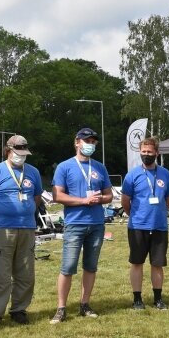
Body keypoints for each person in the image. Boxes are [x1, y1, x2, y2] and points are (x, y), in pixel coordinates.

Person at [0, 135, 43, 328]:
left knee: (25, 271)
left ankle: (19, 309)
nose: (21, 157)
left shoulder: (33, 172)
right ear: (8, 151)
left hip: (27, 228)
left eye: (24, 153)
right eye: (18, 153)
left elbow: (37, 197)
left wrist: (27, 211)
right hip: (3, 228)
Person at [50, 127, 113, 324]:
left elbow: (110, 195)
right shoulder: (64, 167)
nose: (90, 145)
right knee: (68, 267)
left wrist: (99, 198)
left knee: (90, 267)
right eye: (87, 141)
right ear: (77, 142)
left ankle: (85, 304)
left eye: (94, 142)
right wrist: (83, 201)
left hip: (96, 224)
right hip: (75, 223)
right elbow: (57, 195)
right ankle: (61, 308)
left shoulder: (100, 167)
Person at [121, 137, 169, 309]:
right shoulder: (132, 175)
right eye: (144, 152)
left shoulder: (165, 174)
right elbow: (125, 201)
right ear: (140, 153)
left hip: (159, 226)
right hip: (138, 226)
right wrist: (135, 215)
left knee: (157, 264)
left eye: (150, 152)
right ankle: (137, 299)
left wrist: (160, 213)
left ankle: (158, 298)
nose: (146, 155)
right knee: (137, 263)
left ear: (156, 153)